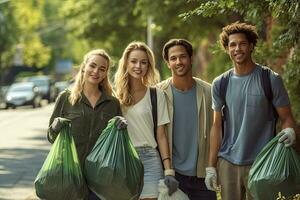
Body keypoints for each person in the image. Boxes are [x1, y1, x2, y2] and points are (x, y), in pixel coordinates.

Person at [205, 21, 296, 200]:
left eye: (242, 43)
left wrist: (290, 130)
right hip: (228, 163)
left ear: (252, 46)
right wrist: (211, 166)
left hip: (263, 162)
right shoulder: (220, 83)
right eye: (232, 44)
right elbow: (216, 126)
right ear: (227, 49)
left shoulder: (270, 79)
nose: (237, 48)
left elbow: (287, 117)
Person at [47, 49, 127, 200]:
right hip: (70, 174)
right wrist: (55, 127)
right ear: (84, 67)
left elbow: (118, 142)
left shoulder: (112, 103)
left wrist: (121, 125)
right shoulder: (66, 98)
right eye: (92, 66)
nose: (96, 71)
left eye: (102, 69)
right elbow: (51, 137)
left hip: (101, 176)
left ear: (105, 74)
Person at [114, 41, 178, 200]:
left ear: (149, 66)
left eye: (144, 62)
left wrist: (169, 170)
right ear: (126, 63)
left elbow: (161, 134)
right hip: (123, 160)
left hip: (150, 159)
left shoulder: (157, 95)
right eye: (134, 61)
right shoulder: (115, 98)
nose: (138, 66)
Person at [156, 39, 216, 200]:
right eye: (173, 58)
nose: (178, 62)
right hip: (173, 176)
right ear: (168, 63)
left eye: (182, 57)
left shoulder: (209, 92)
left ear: (191, 58)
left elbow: (218, 130)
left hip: (203, 175)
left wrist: (213, 167)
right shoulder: (158, 93)